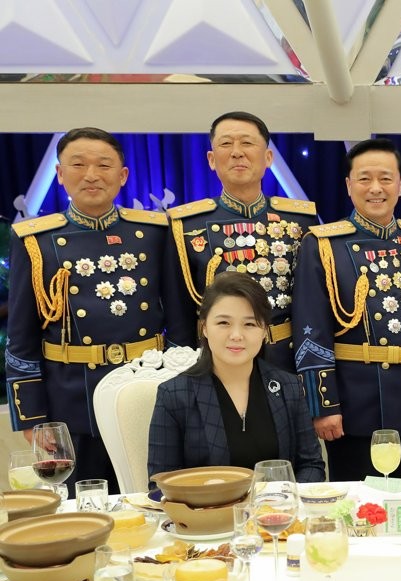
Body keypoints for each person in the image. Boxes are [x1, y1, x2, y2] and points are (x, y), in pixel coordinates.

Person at [6, 127, 181, 492]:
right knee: (85, 503)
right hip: (71, 399)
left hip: (146, 386)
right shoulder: (36, 239)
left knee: (154, 496)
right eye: (78, 164)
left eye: (103, 165)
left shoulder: (153, 232)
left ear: (122, 176)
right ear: (60, 173)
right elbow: (22, 336)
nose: (91, 174)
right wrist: (33, 417)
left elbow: (179, 321)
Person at [291, 139, 401, 481]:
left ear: (400, 185)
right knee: (358, 508)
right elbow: (311, 330)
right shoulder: (323, 245)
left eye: (385, 178)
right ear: (348, 185)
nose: (375, 188)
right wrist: (323, 405)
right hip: (356, 406)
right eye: (364, 178)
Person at [164, 111, 319, 369]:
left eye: (247, 143)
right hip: (219, 363)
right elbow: (179, 314)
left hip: (287, 362)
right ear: (212, 160)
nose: (237, 152)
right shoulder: (186, 226)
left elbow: (313, 307)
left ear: (268, 157)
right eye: (226, 144)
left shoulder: (301, 221)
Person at [148, 272, 325, 483]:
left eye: (249, 324)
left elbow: (311, 465)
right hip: (208, 512)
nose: (236, 335)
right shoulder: (174, 395)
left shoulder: (288, 386)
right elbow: (160, 482)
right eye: (224, 323)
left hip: (276, 512)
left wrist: (284, 501)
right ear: (204, 327)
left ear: (263, 331)